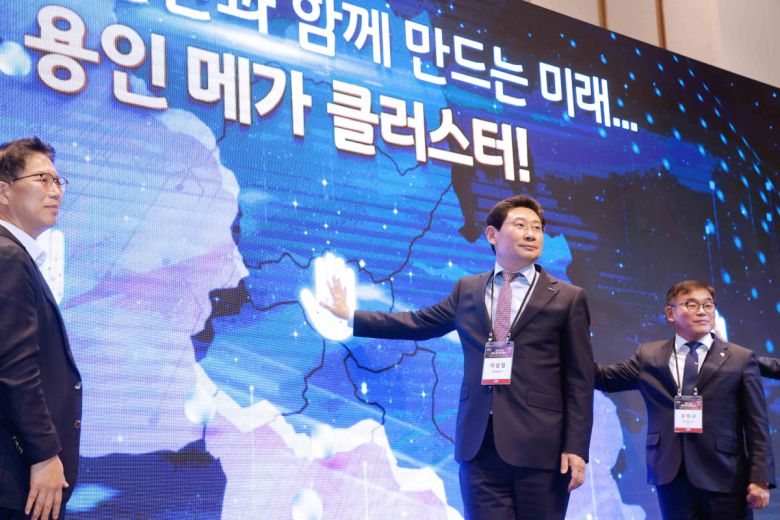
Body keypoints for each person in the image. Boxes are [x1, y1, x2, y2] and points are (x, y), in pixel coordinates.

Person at [318, 195, 594, 519]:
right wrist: (351, 317)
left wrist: (576, 447)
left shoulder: (567, 298)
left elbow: (579, 379)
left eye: (537, 228)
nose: (531, 234)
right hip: (478, 446)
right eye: (520, 225)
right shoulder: (468, 290)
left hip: (541, 449)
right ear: (492, 234)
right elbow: (418, 323)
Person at [595, 280, 774, 519]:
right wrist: (564, 348)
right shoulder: (649, 356)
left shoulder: (740, 359)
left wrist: (761, 478)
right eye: (691, 304)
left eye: (708, 305)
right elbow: (604, 378)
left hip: (725, 474)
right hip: (671, 475)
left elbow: (757, 425)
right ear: (671, 313)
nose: (702, 311)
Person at [0, 137, 82, 520]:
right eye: (42, 179)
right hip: (17, 480)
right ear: (4, 191)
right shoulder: (8, 257)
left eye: (58, 181)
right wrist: (45, 454)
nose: (55, 191)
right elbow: (15, 369)